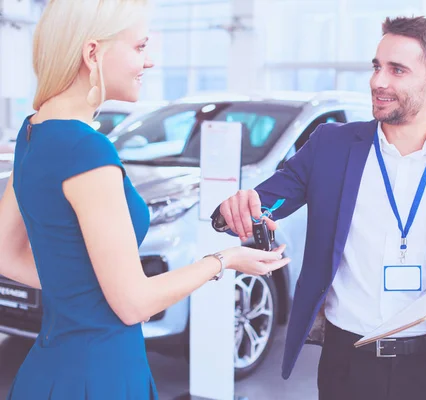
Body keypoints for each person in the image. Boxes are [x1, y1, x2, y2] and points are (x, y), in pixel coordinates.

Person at [0, 1, 289, 399]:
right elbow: (134, 304)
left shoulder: (34, 132)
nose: (149, 62)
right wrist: (225, 260)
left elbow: (6, 253)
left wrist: (84, 289)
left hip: (49, 368)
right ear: (92, 53)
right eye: (139, 47)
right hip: (101, 374)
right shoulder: (86, 151)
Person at [218, 16, 426, 400]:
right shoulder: (331, 146)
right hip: (346, 363)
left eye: (397, 70)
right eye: (376, 66)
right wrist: (237, 210)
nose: (378, 81)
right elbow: (265, 203)